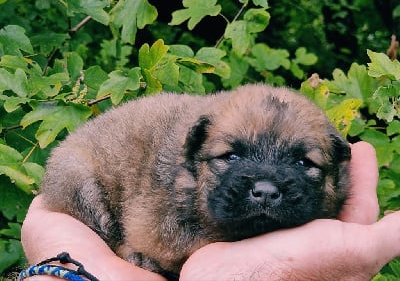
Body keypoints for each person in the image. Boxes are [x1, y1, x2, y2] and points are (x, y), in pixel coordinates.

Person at [21, 142, 400, 280]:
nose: (265, 188)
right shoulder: (174, 182)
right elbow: (146, 228)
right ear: (194, 154)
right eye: (232, 156)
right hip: (91, 177)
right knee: (76, 171)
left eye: (304, 163)